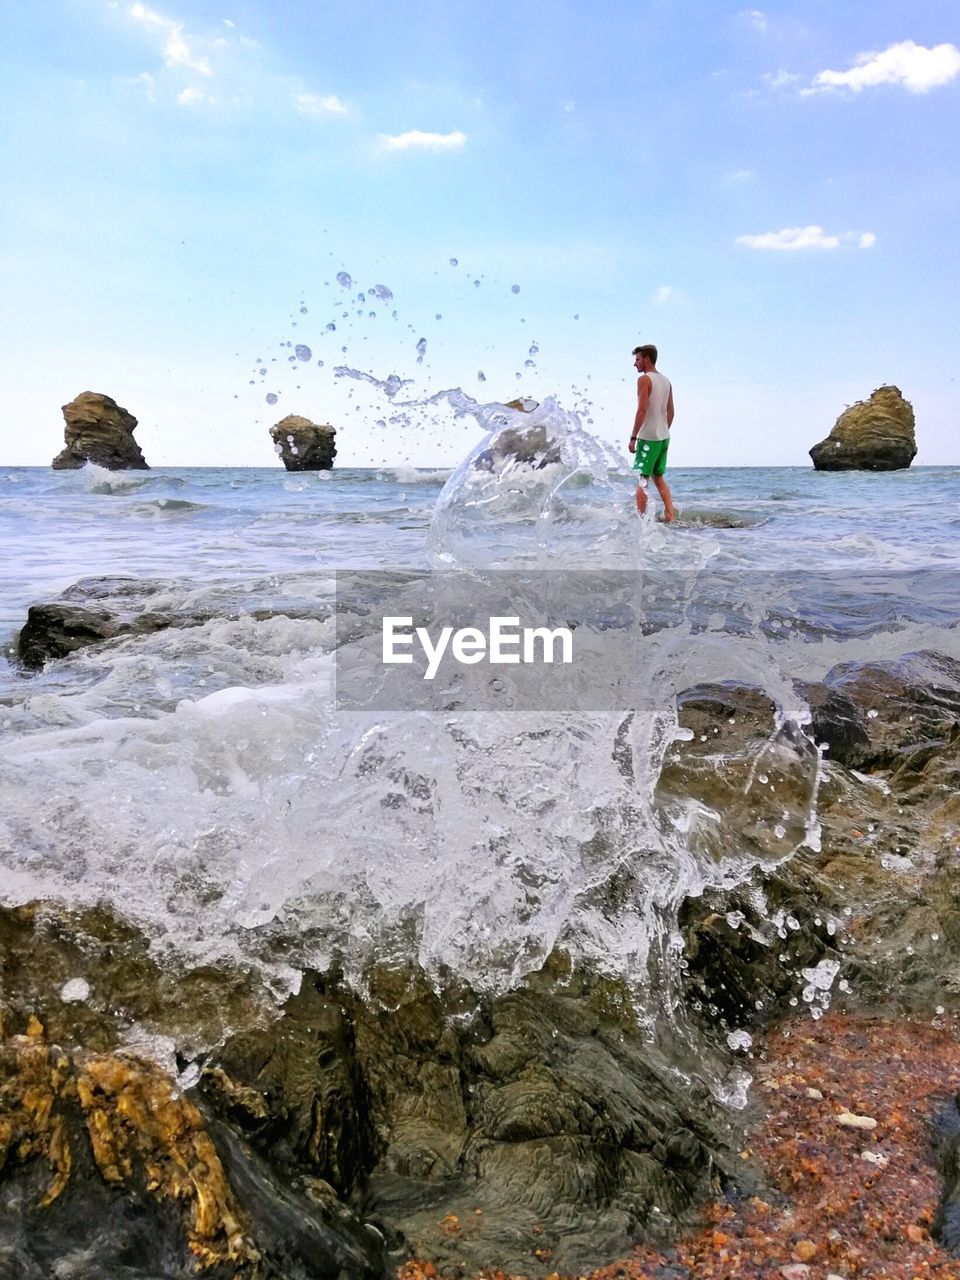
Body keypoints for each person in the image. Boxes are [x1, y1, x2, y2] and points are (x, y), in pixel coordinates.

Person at [628, 343, 676, 522]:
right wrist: (662, 429)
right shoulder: (666, 381)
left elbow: (642, 410)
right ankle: (670, 515)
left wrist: (633, 437)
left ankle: (640, 519)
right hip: (664, 437)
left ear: (647, 360)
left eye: (638, 359)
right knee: (658, 477)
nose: (635, 363)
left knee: (642, 478)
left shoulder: (644, 380)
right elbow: (671, 412)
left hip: (648, 437)